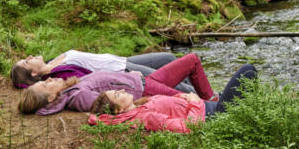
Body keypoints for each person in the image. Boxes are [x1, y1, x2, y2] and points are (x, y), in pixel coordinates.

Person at [17, 53, 217, 115]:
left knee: (192, 61)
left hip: (141, 80)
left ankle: (214, 100)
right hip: (145, 88)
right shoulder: (77, 96)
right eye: (45, 85)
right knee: (192, 102)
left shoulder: (70, 88)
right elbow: (109, 105)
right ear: (51, 98)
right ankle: (217, 108)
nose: (49, 79)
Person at [88, 64, 257, 133]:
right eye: (118, 95)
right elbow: (189, 128)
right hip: (214, 115)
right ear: (118, 110)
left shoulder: (140, 108)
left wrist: (181, 96)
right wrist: (194, 102)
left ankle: (251, 118)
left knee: (245, 82)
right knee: (248, 71)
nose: (123, 91)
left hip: (208, 107)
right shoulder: (148, 117)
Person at [10, 50, 192, 93]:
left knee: (168, 59)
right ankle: (206, 103)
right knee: (178, 82)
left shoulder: (52, 62)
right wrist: (127, 77)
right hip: (123, 70)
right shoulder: (60, 74)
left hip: (122, 60)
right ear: (34, 74)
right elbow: (94, 80)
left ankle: (202, 94)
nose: (30, 57)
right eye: (27, 62)